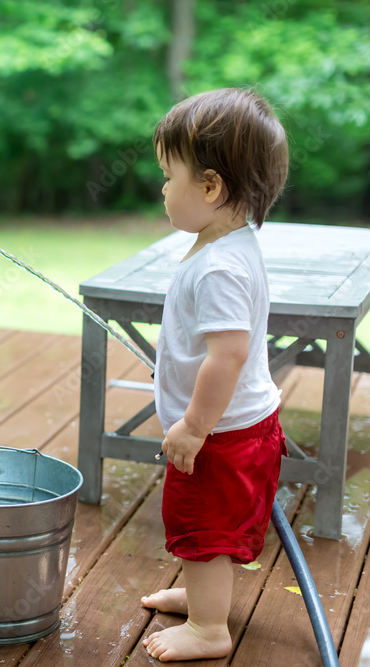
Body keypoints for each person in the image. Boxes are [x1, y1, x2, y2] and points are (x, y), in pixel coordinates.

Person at [139, 87, 290, 662]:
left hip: (220, 435)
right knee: (212, 525)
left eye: (168, 175)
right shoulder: (230, 242)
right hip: (241, 426)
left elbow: (226, 355)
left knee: (202, 527)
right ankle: (205, 599)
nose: (161, 188)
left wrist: (194, 426)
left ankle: (209, 628)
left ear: (209, 186)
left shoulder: (219, 266)